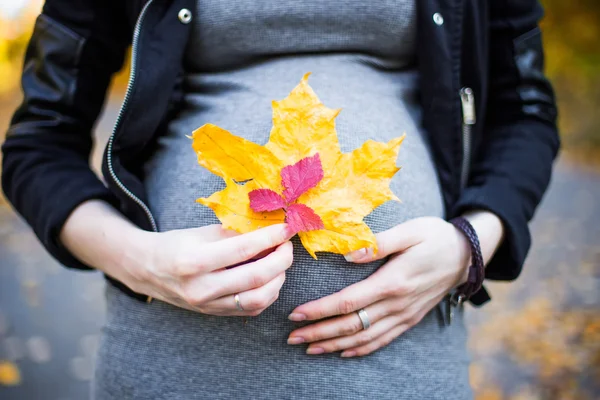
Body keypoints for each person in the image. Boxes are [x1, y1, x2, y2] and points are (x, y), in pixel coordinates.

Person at [1, 0, 559, 399]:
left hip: (402, 371)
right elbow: (37, 145)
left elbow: (526, 114)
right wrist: (139, 262)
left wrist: (471, 243)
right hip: (170, 366)